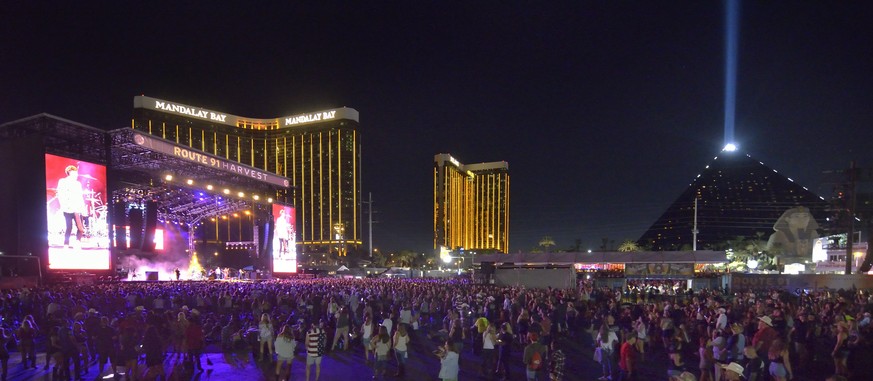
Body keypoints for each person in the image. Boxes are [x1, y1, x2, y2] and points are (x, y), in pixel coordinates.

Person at [57, 165, 87, 248]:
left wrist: (83, 208)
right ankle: (66, 244)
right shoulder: (62, 181)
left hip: (77, 208)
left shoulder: (78, 184)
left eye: (76, 173)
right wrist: (64, 205)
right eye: (75, 172)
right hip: (67, 208)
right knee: (69, 227)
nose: (76, 174)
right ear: (69, 173)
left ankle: (77, 242)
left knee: (80, 228)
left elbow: (80, 197)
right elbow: (60, 195)